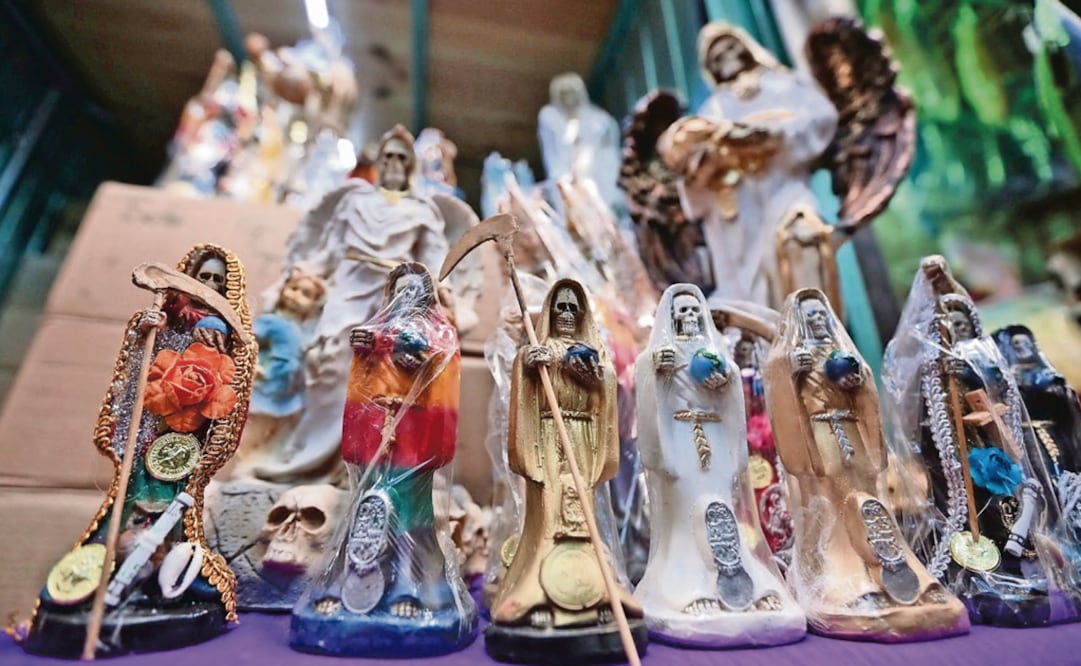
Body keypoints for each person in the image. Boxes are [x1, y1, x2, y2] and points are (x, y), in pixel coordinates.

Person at [25, 245, 256, 657]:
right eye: (205, 277)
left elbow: (239, 369)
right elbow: (135, 374)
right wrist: (144, 333)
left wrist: (222, 336)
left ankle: (151, 576)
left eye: (220, 281)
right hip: (146, 432)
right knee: (129, 502)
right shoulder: (163, 320)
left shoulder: (223, 331)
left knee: (166, 510)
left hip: (183, 446)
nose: (210, 286)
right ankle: (104, 576)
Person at [882, 256, 1081, 627]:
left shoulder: (983, 360)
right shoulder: (932, 368)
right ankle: (981, 574)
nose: (957, 330)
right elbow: (919, 415)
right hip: (955, 458)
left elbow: (1001, 395)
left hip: (992, 446)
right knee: (974, 510)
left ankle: (1017, 566)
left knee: (1014, 502)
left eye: (962, 323)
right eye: (949, 325)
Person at [290, 263, 475, 657]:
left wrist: (423, 357)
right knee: (366, 512)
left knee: (409, 514)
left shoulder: (437, 336)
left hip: (413, 440)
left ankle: (409, 585)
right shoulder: (377, 335)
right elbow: (363, 382)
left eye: (414, 290)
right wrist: (363, 350)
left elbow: (443, 373)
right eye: (401, 289)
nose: (407, 297)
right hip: (378, 435)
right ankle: (345, 584)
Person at [767, 288, 969, 641]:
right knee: (833, 500)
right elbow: (781, 393)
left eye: (821, 314)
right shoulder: (789, 357)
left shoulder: (841, 353)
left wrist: (859, 381)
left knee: (868, 495)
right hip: (819, 436)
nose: (816, 320)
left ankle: (895, 567)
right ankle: (846, 575)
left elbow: (865, 394)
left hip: (851, 431)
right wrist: (789, 373)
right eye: (809, 315)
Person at [252, 125, 450, 484]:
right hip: (348, 285)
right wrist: (306, 270)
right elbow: (330, 249)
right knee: (326, 362)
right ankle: (303, 456)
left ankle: (357, 465)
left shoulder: (423, 211)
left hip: (392, 296)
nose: (393, 163)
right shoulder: (354, 200)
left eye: (400, 158)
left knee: (378, 377)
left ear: (410, 166)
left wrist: (435, 292)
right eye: (387, 156)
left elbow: (434, 265)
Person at [634, 284, 804, 647]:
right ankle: (687, 586)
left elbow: (727, 391)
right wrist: (655, 368)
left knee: (722, 510)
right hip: (679, 443)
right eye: (684, 311)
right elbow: (645, 378)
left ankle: (741, 581)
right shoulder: (658, 355)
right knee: (685, 514)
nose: (691, 317)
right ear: (672, 317)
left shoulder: (715, 356)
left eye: (696, 311)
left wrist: (725, 381)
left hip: (712, 443)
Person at [488, 279, 644, 658]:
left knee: (581, 516)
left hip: (582, 440)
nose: (568, 314)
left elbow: (607, 386)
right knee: (550, 517)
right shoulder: (537, 352)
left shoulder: (593, 352)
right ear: (551, 313)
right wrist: (528, 364)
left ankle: (596, 590)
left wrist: (593, 374)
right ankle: (539, 592)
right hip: (546, 439)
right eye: (561, 307)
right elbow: (525, 391)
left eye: (575, 307)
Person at [667, 23, 838, 308]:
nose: (726, 57)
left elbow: (822, 118)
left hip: (785, 190)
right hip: (741, 215)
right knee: (755, 294)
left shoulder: (783, 84)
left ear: (748, 47)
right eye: (716, 57)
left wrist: (772, 135)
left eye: (730, 47)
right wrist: (699, 167)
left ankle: (818, 333)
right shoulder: (713, 109)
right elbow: (696, 188)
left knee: (802, 238)